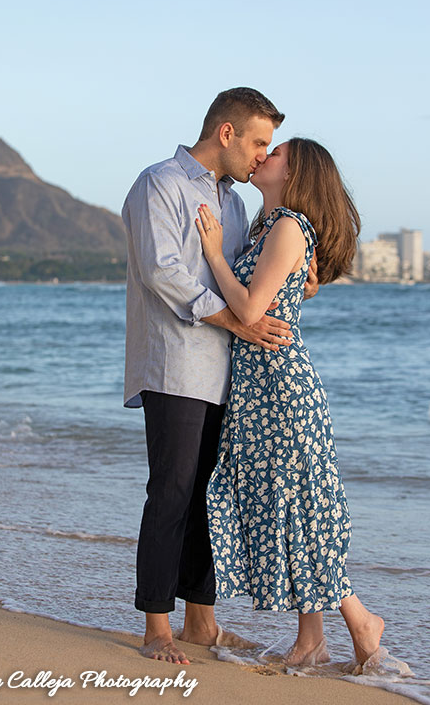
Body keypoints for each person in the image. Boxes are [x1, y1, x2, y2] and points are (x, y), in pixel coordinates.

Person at [122, 88, 319, 664]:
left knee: (211, 495)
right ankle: (157, 626)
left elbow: (249, 273)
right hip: (175, 363)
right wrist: (240, 322)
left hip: (229, 371)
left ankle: (202, 623)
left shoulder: (235, 204)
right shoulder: (160, 183)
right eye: (258, 141)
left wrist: (297, 282)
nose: (263, 154)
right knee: (172, 491)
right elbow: (164, 273)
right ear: (227, 133)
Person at [196, 137, 385, 668]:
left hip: (281, 389)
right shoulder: (269, 227)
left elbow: (252, 309)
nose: (263, 157)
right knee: (293, 508)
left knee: (299, 507)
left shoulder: (287, 226)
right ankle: (311, 641)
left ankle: (361, 621)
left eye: (274, 153)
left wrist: (213, 254)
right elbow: (275, 291)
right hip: (261, 388)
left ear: (295, 173)